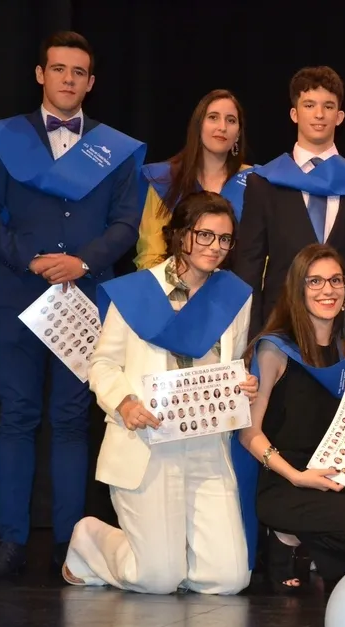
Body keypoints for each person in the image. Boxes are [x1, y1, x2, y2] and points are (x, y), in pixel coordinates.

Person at [0, 31, 146, 578]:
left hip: (84, 298)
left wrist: (82, 262)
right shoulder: (7, 140)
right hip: (17, 296)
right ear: (41, 74)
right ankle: (11, 543)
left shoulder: (113, 149)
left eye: (78, 72)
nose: (68, 79)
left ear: (91, 83)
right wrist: (32, 258)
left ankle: (71, 546)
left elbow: (126, 223)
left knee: (70, 421)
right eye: (59, 69)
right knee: (17, 416)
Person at [63, 192, 256, 594]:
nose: (215, 247)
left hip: (207, 447)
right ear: (181, 235)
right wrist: (124, 402)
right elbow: (102, 364)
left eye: (224, 239)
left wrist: (243, 385)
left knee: (230, 579)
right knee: (157, 579)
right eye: (205, 235)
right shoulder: (137, 293)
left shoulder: (236, 296)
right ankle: (90, 540)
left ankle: (171, 559)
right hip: (148, 445)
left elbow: (232, 363)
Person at [235, 244, 345, 590]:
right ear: (297, 290)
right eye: (314, 281)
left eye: (335, 280)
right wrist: (297, 477)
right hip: (286, 482)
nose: (327, 290)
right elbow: (248, 433)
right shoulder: (275, 348)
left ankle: (296, 543)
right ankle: (295, 541)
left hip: (334, 474)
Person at [234, 66, 345, 335]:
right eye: (309, 105)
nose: (319, 114)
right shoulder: (264, 182)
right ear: (294, 114)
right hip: (280, 329)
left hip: (344, 331)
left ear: (340, 117)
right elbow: (249, 267)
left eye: (328, 106)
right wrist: (253, 337)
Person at [135, 89, 253, 270]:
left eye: (231, 120)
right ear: (198, 126)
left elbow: (261, 253)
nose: (222, 127)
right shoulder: (165, 179)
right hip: (173, 284)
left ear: (238, 134)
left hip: (237, 285)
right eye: (213, 117)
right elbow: (150, 255)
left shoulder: (254, 181)